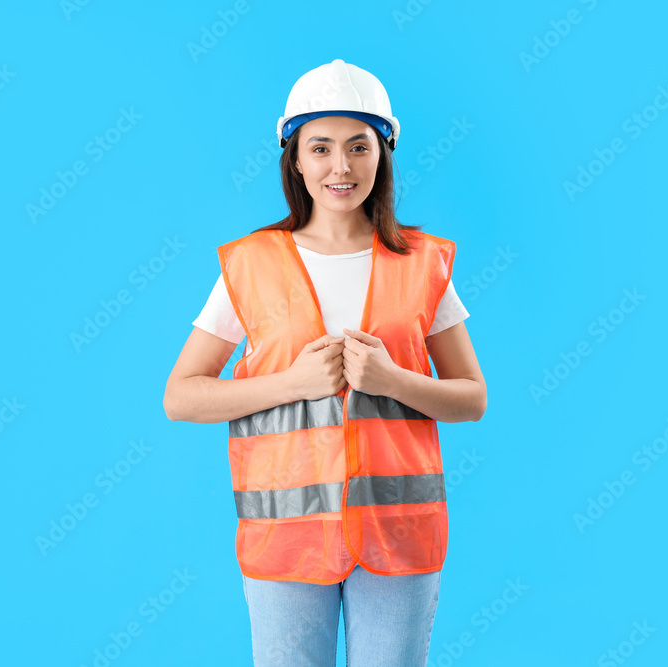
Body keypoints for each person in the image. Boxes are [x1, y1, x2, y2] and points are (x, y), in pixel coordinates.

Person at [163, 59, 487, 667]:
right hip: (286, 539)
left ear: (383, 152)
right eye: (321, 148)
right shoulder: (252, 263)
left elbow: (472, 397)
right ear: (296, 160)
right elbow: (181, 395)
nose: (341, 167)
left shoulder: (422, 262)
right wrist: (293, 383)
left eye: (358, 147)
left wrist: (392, 379)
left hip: (400, 535)